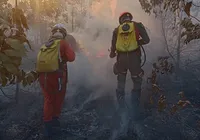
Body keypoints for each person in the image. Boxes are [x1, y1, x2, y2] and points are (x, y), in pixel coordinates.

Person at [36, 23, 75, 139]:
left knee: (48, 99)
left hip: (43, 76)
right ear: (63, 33)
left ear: (53, 33)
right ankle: (54, 121)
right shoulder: (63, 43)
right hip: (58, 76)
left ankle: (48, 125)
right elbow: (72, 57)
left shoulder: (45, 44)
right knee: (58, 98)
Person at [109, 12, 150, 115]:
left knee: (121, 82)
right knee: (137, 82)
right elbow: (147, 40)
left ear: (121, 19)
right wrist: (137, 42)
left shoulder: (117, 29)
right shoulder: (137, 25)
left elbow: (113, 48)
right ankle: (134, 107)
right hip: (134, 58)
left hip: (121, 59)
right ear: (130, 18)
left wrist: (112, 54)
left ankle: (121, 107)